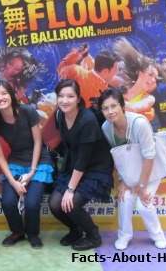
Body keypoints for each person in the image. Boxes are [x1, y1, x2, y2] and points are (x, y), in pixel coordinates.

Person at [0, 80, 54, 249]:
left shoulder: (28, 112)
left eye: (4, 93)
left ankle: (32, 234)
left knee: (31, 203)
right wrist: (13, 181)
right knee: (8, 202)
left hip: (39, 161)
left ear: (11, 95)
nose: (0, 98)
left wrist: (32, 171)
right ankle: (17, 231)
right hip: (15, 161)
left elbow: (38, 142)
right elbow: (0, 156)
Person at [98, 88, 166, 250]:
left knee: (144, 204)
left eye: (114, 106)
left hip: (150, 169)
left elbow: (150, 156)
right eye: (105, 108)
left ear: (123, 106)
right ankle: (124, 235)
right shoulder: (106, 128)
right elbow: (120, 156)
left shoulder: (139, 123)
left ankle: (158, 235)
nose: (110, 111)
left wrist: (141, 186)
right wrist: (123, 180)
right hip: (130, 169)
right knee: (125, 197)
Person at [49, 79, 114, 251]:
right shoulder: (59, 115)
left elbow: (84, 159)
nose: (65, 100)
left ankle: (93, 236)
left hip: (95, 168)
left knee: (72, 204)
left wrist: (70, 190)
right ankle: (75, 230)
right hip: (74, 164)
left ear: (78, 99)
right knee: (55, 205)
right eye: (61, 96)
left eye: (70, 96)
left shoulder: (87, 120)